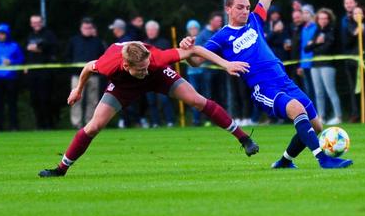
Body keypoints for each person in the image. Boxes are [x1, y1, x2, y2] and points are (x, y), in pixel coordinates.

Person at [182, 0, 352, 169]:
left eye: (247, 6)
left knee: (317, 125)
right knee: (297, 111)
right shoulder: (222, 37)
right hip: (264, 88)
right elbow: (196, 60)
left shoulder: (254, 20)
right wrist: (188, 49)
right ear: (228, 9)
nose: (246, 10)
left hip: (283, 79)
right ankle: (323, 159)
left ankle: (284, 162)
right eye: (240, 7)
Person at [38, 41, 257, 177]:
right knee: (94, 126)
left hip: (159, 76)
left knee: (197, 101)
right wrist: (78, 90)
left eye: (146, 65)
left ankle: (244, 138)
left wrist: (226, 64)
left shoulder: (155, 61)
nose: (144, 70)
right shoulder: (109, 64)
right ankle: (61, 169)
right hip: (124, 86)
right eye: (140, 69)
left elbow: (195, 50)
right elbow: (87, 68)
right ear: (126, 66)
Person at [64, 18, 106, 129]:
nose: (87, 30)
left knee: (93, 101)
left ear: (92, 28)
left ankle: (90, 123)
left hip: (94, 75)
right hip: (77, 75)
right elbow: (67, 57)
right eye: (85, 28)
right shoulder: (74, 40)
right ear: (81, 28)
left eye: (89, 28)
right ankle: (76, 124)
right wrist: (73, 67)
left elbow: (103, 57)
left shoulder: (97, 41)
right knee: (75, 100)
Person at [304, 8, 342, 125]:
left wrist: (314, 45)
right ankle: (321, 116)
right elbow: (307, 49)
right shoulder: (317, 31)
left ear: (329, 19)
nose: (323, 21)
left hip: (328, 65)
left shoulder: (331, 31)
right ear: (317, 19)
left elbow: (327, 48)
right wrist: (318, 43)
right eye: (321, 18)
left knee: (330, 90)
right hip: (315, 64)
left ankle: (338, 116)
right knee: (318, 92)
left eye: (325, 18)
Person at [0, 23, 24, 131]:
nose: (1, 35)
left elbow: (21, 59)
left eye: (3, 33)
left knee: (12, 103)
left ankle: (14, 126)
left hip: (11, 78)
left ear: (7, 34)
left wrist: (12, 62)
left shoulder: (14, 46)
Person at [26, 14, 58, 130]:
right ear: (31, 24)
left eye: (38, 22)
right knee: (34, 100)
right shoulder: (30, 35)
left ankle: (49, 124)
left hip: (45, 72)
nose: (36, 24)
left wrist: (38, 47)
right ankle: (40, 125)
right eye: (34, 22)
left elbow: (52, 47)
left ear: (42, 22)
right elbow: (28, 51)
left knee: (46, 99)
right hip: (33, 72)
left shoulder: (48, 34)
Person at [144, 20, 176, 127]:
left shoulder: (164, 43)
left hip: (162, 76)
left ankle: (170, 121)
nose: (151, 32)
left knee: (164, 100)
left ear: (157, 31)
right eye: (149, 30)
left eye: (153, 30)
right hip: (148, 77)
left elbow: (169, 59)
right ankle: (155, 122)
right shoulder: (143, 45)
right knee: (151, 101)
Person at [339, 0, 359, 120]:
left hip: (361, 57)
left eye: (351, 2)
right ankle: (355, 113)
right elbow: (347, 38)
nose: (349, 5)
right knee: (353, 87)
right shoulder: (344, 20)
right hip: (349, 57)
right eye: (346, 3)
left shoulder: (362, 17)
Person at [184, 19, 205, 126]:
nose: (193, 30)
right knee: (194, 97)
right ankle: (196, 119)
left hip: (204, 72)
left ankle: (206, 118)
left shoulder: (202, 39)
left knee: (205, 95)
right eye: (191, 28)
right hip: (192, 73)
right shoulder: (186, 41)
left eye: (195, 28)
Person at [298, 4, 317, 99]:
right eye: (303, 13)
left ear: (311, 14)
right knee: (307, 89)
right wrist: (301, 65)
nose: (304, 15)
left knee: (316, 89)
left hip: (314, 62)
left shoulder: (316, 27)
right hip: (305, 63)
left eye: (306, 12)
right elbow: (303, 48)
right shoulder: (304, 29)